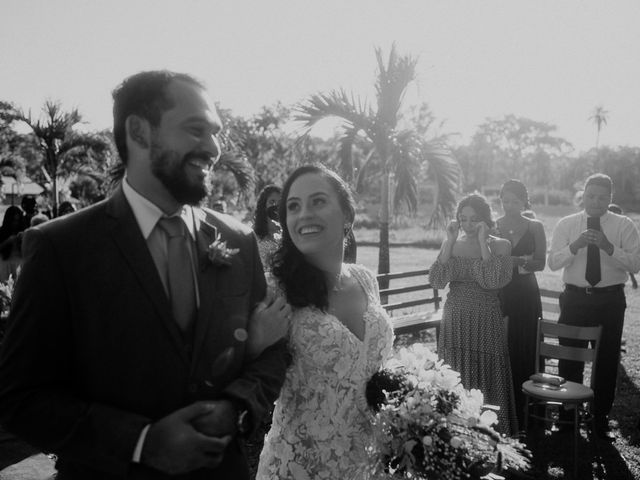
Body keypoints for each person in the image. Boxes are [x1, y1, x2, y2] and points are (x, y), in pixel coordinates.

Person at [0, 70, 290, 479]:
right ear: (139, 131)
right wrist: (142, 442)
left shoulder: (238, 240)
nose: (214, 148)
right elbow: (20, 397)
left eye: (216, 132)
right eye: (196, 130)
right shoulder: (60, 247)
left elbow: (274, 350)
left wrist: (237, 408)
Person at [255, 164, 394, 479]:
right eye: (293, 206)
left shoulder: (364, 279)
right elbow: (236, 370)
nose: (304, 214)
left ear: (347, 214)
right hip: (299, 466)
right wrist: (253, 343)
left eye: (318, 201)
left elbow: (375, 365)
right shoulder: (275, 289)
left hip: (368, 464)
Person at [548, 173, 640, 439]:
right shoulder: (567, 224)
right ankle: (567, 417)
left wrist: (608, 247)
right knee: (569, 357)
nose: (595, 202)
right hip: (575, 298)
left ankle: (599, 420)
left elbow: (635, 264)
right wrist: (575, 246)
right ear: (583, 195)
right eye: (590, 196)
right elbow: (553, 262)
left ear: (610, 198)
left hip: (609, 300)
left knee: (607, 360)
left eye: (602, 197)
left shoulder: (624, 225)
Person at [429, 193, 518, 435]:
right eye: (463, 219)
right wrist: (449, 240)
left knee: (488, 370)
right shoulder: (453, 244)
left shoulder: (501, 245)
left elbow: (493, 281)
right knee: (455, 370)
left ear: (485, 220)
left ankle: (492, 434)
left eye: (474, 220)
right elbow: (437, 280)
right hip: (455, 317)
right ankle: (455, 433)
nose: (467, 225)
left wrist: (482, 242)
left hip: (486, 318)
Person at [495, 180, 546, 425]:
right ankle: (501, 401)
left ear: (525, 201)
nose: (510, 206)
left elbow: (540, 263)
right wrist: (513, 262)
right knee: (501, 343)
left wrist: (516, 261)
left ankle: (529, 404)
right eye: (506, 201)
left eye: (515, 201)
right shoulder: (493, 225)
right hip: (500, 291)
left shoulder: (535, 226)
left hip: (526, 293)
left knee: (525, 342)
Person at [608, 203, 637, 288]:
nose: (618, 216)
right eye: (615, 213)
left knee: (624, 258)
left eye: (618, 214)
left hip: (619, 246)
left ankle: (632, 279)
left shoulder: (623, 225)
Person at [252, 184, 282, 270]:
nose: (275, 206)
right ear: (263, 206)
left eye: (279, 203)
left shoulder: (287, 235)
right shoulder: (254, 237)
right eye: (272, 202)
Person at [0, 206, 25, 282]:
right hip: (5, 263)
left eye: (17, 221)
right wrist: (8, 241)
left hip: (19, 263)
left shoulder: (23, 232)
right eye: (13, 221)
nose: (15, 223)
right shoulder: (2, 232)